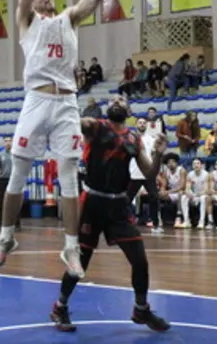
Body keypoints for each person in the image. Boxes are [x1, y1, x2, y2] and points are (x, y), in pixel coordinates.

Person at [0, 0, 121, 278]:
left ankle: (71, 249)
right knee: (18, 174)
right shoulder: (27, 22)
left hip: (66, 103)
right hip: (36, 100)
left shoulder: (68, 19)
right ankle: (6, 238)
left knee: (68, 177)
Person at [50, 96, 170, 333]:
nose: (117, 101)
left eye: (122, 100)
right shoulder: (96, 126)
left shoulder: (134, 139)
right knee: (80, 262)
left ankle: (141, 308)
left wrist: (158, 154)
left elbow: (148, 172)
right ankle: (59, 306)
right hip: (92, 202)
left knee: (139, 259)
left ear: (129, 110)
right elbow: (75, 121)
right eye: (113, 99)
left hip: (118, 205)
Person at [182, 158, 211, 229]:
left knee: (203, 198)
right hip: (194, 196)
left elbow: (206, 190)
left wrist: (196, 195)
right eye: (194, 164)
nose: (196, 165)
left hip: (202, 195)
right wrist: (188, 193)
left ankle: (201, 222)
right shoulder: (190, 174)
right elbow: (187, 188)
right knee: (184, 197)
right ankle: (186, 221)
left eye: (198, 163)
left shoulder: (206, 174)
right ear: (192, 166)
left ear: (201, 165)